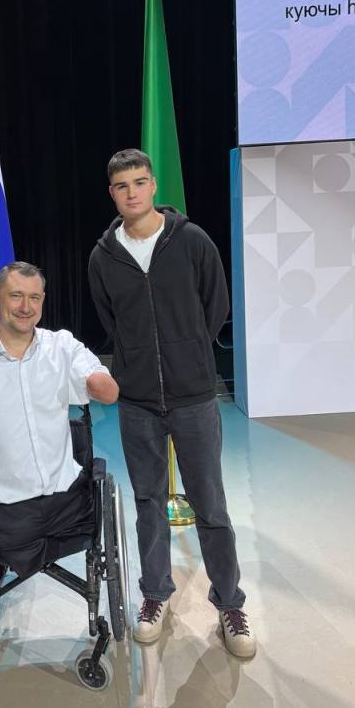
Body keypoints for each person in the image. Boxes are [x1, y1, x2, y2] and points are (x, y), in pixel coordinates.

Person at [87, 149, 255, 657]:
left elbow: (216, 305)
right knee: (148, 501)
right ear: (111, 193)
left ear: (153, 185)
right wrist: (138, 364)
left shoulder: (192, 240)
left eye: (140, 182)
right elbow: (110, 321)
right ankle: (155, 595)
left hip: (193, 396)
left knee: (211, 504)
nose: (132, 192)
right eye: (122, 186)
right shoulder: (103, 257)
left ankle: (230, 604)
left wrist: (188, 354)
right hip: (137, 400)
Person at [0, 261, 119, 579]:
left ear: (43, 300)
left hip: (66, 503)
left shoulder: (61, 346)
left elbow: (103, 384)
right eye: (16, 296)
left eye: (34, 298)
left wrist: (98, 382)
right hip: (6, 510)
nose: (26, 307)